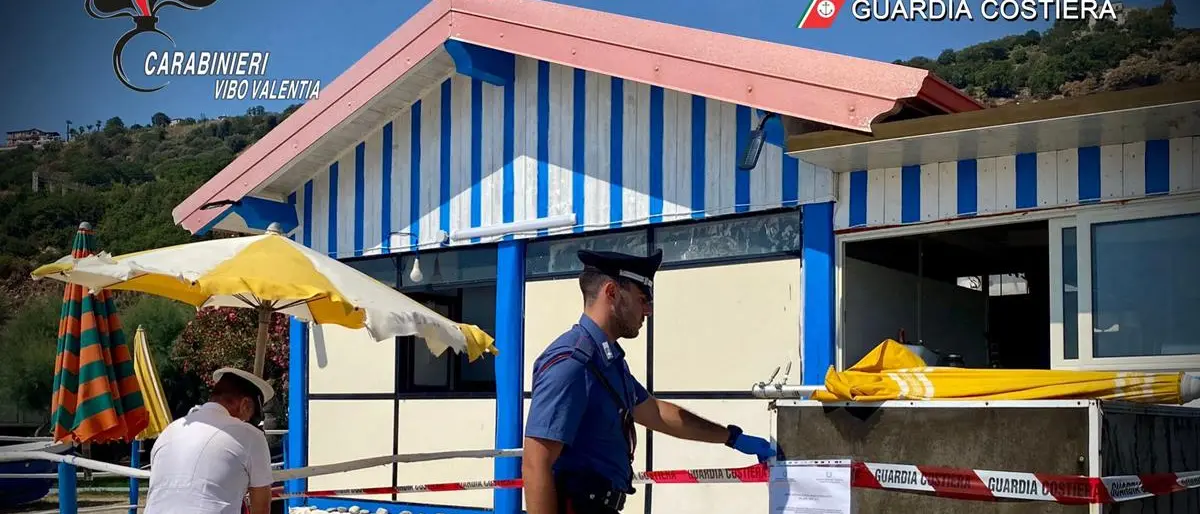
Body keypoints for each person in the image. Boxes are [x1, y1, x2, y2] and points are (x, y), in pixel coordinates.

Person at [523, 249, 775, 514]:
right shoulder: (573, 362)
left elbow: (655, 412)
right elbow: (535, 463)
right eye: (642, 299)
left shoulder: (606, 360)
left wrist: (731, 437)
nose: (648, 310)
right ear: (612, 292)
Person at [144, 367, 274, 514]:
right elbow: (261, 507)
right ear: (245, 405)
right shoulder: (250, 435)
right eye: (250, 416)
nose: (247, 420)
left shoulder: (170, 430)